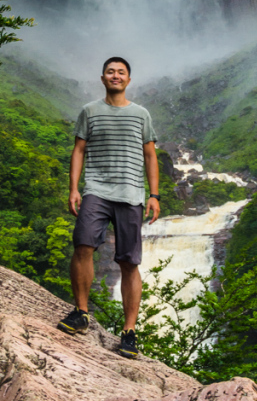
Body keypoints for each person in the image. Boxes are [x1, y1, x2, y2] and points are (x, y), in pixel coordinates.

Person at [56, 56, 160, 358]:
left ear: (128, 79)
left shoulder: (141, 115)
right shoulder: (89, 111)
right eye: (110, 72)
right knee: (83, 244)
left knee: (129, 262)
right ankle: (81, 312)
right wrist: (74, 188)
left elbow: (151, 156)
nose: (116, 76)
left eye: (121, 72)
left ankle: (129, 332)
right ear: (103, 78)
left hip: (131, 195)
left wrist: (154, 195)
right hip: (96, 191)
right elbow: (78, 150)